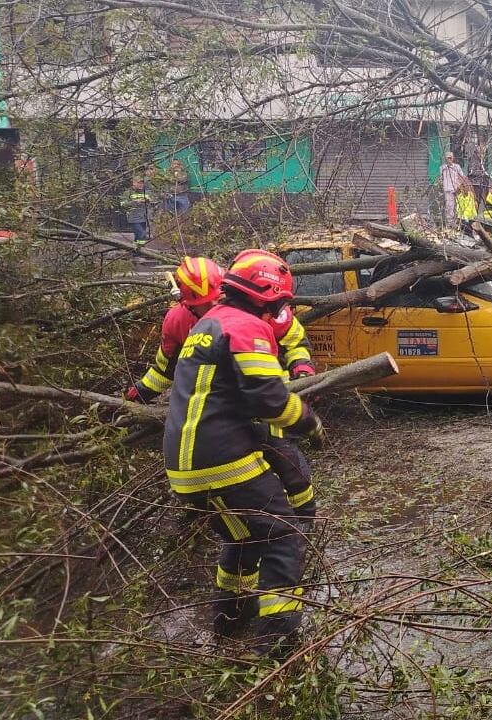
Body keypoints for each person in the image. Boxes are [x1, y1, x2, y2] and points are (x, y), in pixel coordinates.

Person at [162, 249, 324, 656]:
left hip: (183, 468)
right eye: (278, 304)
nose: (278, 313)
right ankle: (277, 645)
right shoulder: (245, 326)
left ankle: (230, 622)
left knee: (245, 538)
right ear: (266, 296)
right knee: (283, 534)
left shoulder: (208, 324)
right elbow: (269, 398)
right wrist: (309, 422)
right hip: (224, 458)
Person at [128, 253, 320, 525]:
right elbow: (164, 370)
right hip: (224, 416)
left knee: (288, 460)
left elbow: (295, 341)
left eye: (214, 300)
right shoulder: (178, 322)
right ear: (186, 303)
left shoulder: (258, 304)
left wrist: (303, 371)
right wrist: (137, 394)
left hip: (271, 396)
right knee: (245, 485)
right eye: (202, 306)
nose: (211, 308)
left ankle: (305, 521)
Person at [123, 174, 153, 245]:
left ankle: (136, 248)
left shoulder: (147, 192)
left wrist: (149, 201)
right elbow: (123, 204)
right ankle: (141, 248)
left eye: (142, 183)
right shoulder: (128, 192)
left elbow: (153, 202)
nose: (141, 185)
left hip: (144, 217)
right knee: (141, 234)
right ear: (134, 183)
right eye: (139, 183)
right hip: (134, 217)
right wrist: (135, 202)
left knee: (138, 236)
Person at [439, 151, 466, 226]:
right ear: (445, 159)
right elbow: (441, 179)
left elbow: (462, 177)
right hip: (448, 190)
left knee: (458, 207)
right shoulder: (443, 168)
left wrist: (459, 186)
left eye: (450, 158)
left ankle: (458, 223)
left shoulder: (457, 167)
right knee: (449, 207)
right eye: (448, 158)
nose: (449, 159)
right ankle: (450, 224)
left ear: (453, 158)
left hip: (457, 189)